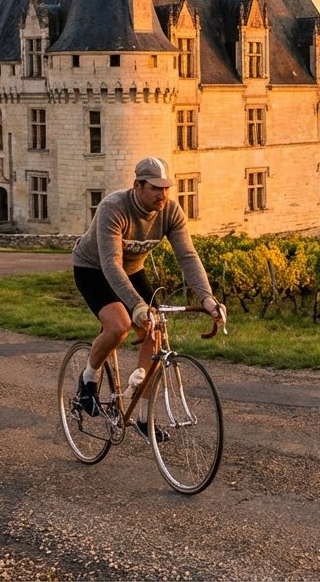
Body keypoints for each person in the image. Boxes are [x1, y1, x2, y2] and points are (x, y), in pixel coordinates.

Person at [71, 156, 226, 440]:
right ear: (137, 185)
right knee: (119, 325)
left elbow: (187, 256)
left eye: (166, 188)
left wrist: (207, 298)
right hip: (94, 268)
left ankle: (142, 417)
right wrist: (136, 305)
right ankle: (88, 379)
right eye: (155, 188)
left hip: (132, 270)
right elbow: (110, 264)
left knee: (155, 331)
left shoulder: (171, 211)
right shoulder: (113, 208)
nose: (162, 195)